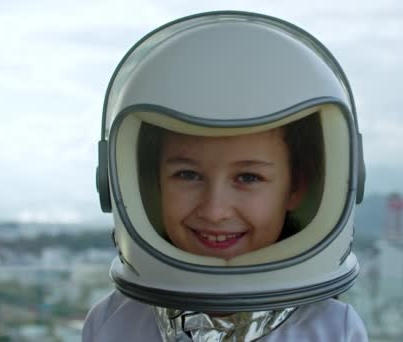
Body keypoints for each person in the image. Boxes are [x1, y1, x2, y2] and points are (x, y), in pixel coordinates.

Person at [84, 10, 368, 341]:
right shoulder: (109, 324)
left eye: (248, 178)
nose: (215, 210)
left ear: (296, 187)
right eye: (188, 174)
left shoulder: (334, 332)